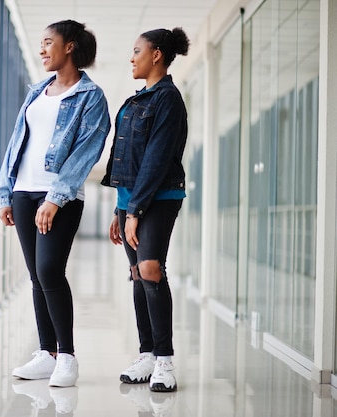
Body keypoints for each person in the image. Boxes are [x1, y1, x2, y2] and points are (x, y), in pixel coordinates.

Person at [0, 19, 111, 388]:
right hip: (24, 192)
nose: (43, 50)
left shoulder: (91, 97)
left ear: (70, 47)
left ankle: (67, 356)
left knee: (49, 270)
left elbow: (86, 152)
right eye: (41, 44)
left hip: (58, 197)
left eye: (49, 43)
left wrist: (56, 198)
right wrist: (5, 192)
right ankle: (46, 353)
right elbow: (17, 144)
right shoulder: (36, 91)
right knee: (35, 275)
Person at [101, 27, 190, 392]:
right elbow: (127, 161)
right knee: (138, 273)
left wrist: (135, 209)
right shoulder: (137, 99)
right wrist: (119, 209)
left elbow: (155, 159)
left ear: (156, 55)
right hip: (130, 202)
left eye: (137, 50)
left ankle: (165, 361)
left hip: (159, 198)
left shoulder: (167, 99)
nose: (131, 57)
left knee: (151, 269)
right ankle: (147, 354)